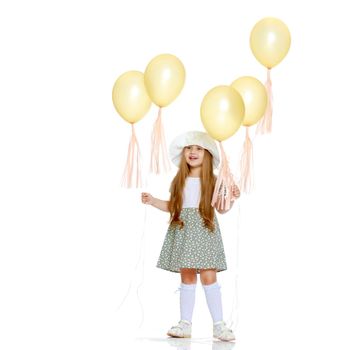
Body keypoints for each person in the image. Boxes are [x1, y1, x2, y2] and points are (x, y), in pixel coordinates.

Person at [141, 130, 240, 342]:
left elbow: (221, 209)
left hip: (204, 230)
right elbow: (173, 206)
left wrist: (231, 199)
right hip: (183, 230)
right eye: (188, 148)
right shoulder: (180, 181)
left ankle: (219, 325)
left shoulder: (213, 181)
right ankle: (185, 323)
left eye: (198, 148)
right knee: (186, 275)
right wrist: (153, 201)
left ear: (207, 154)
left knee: (208, 275)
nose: (192, 152)